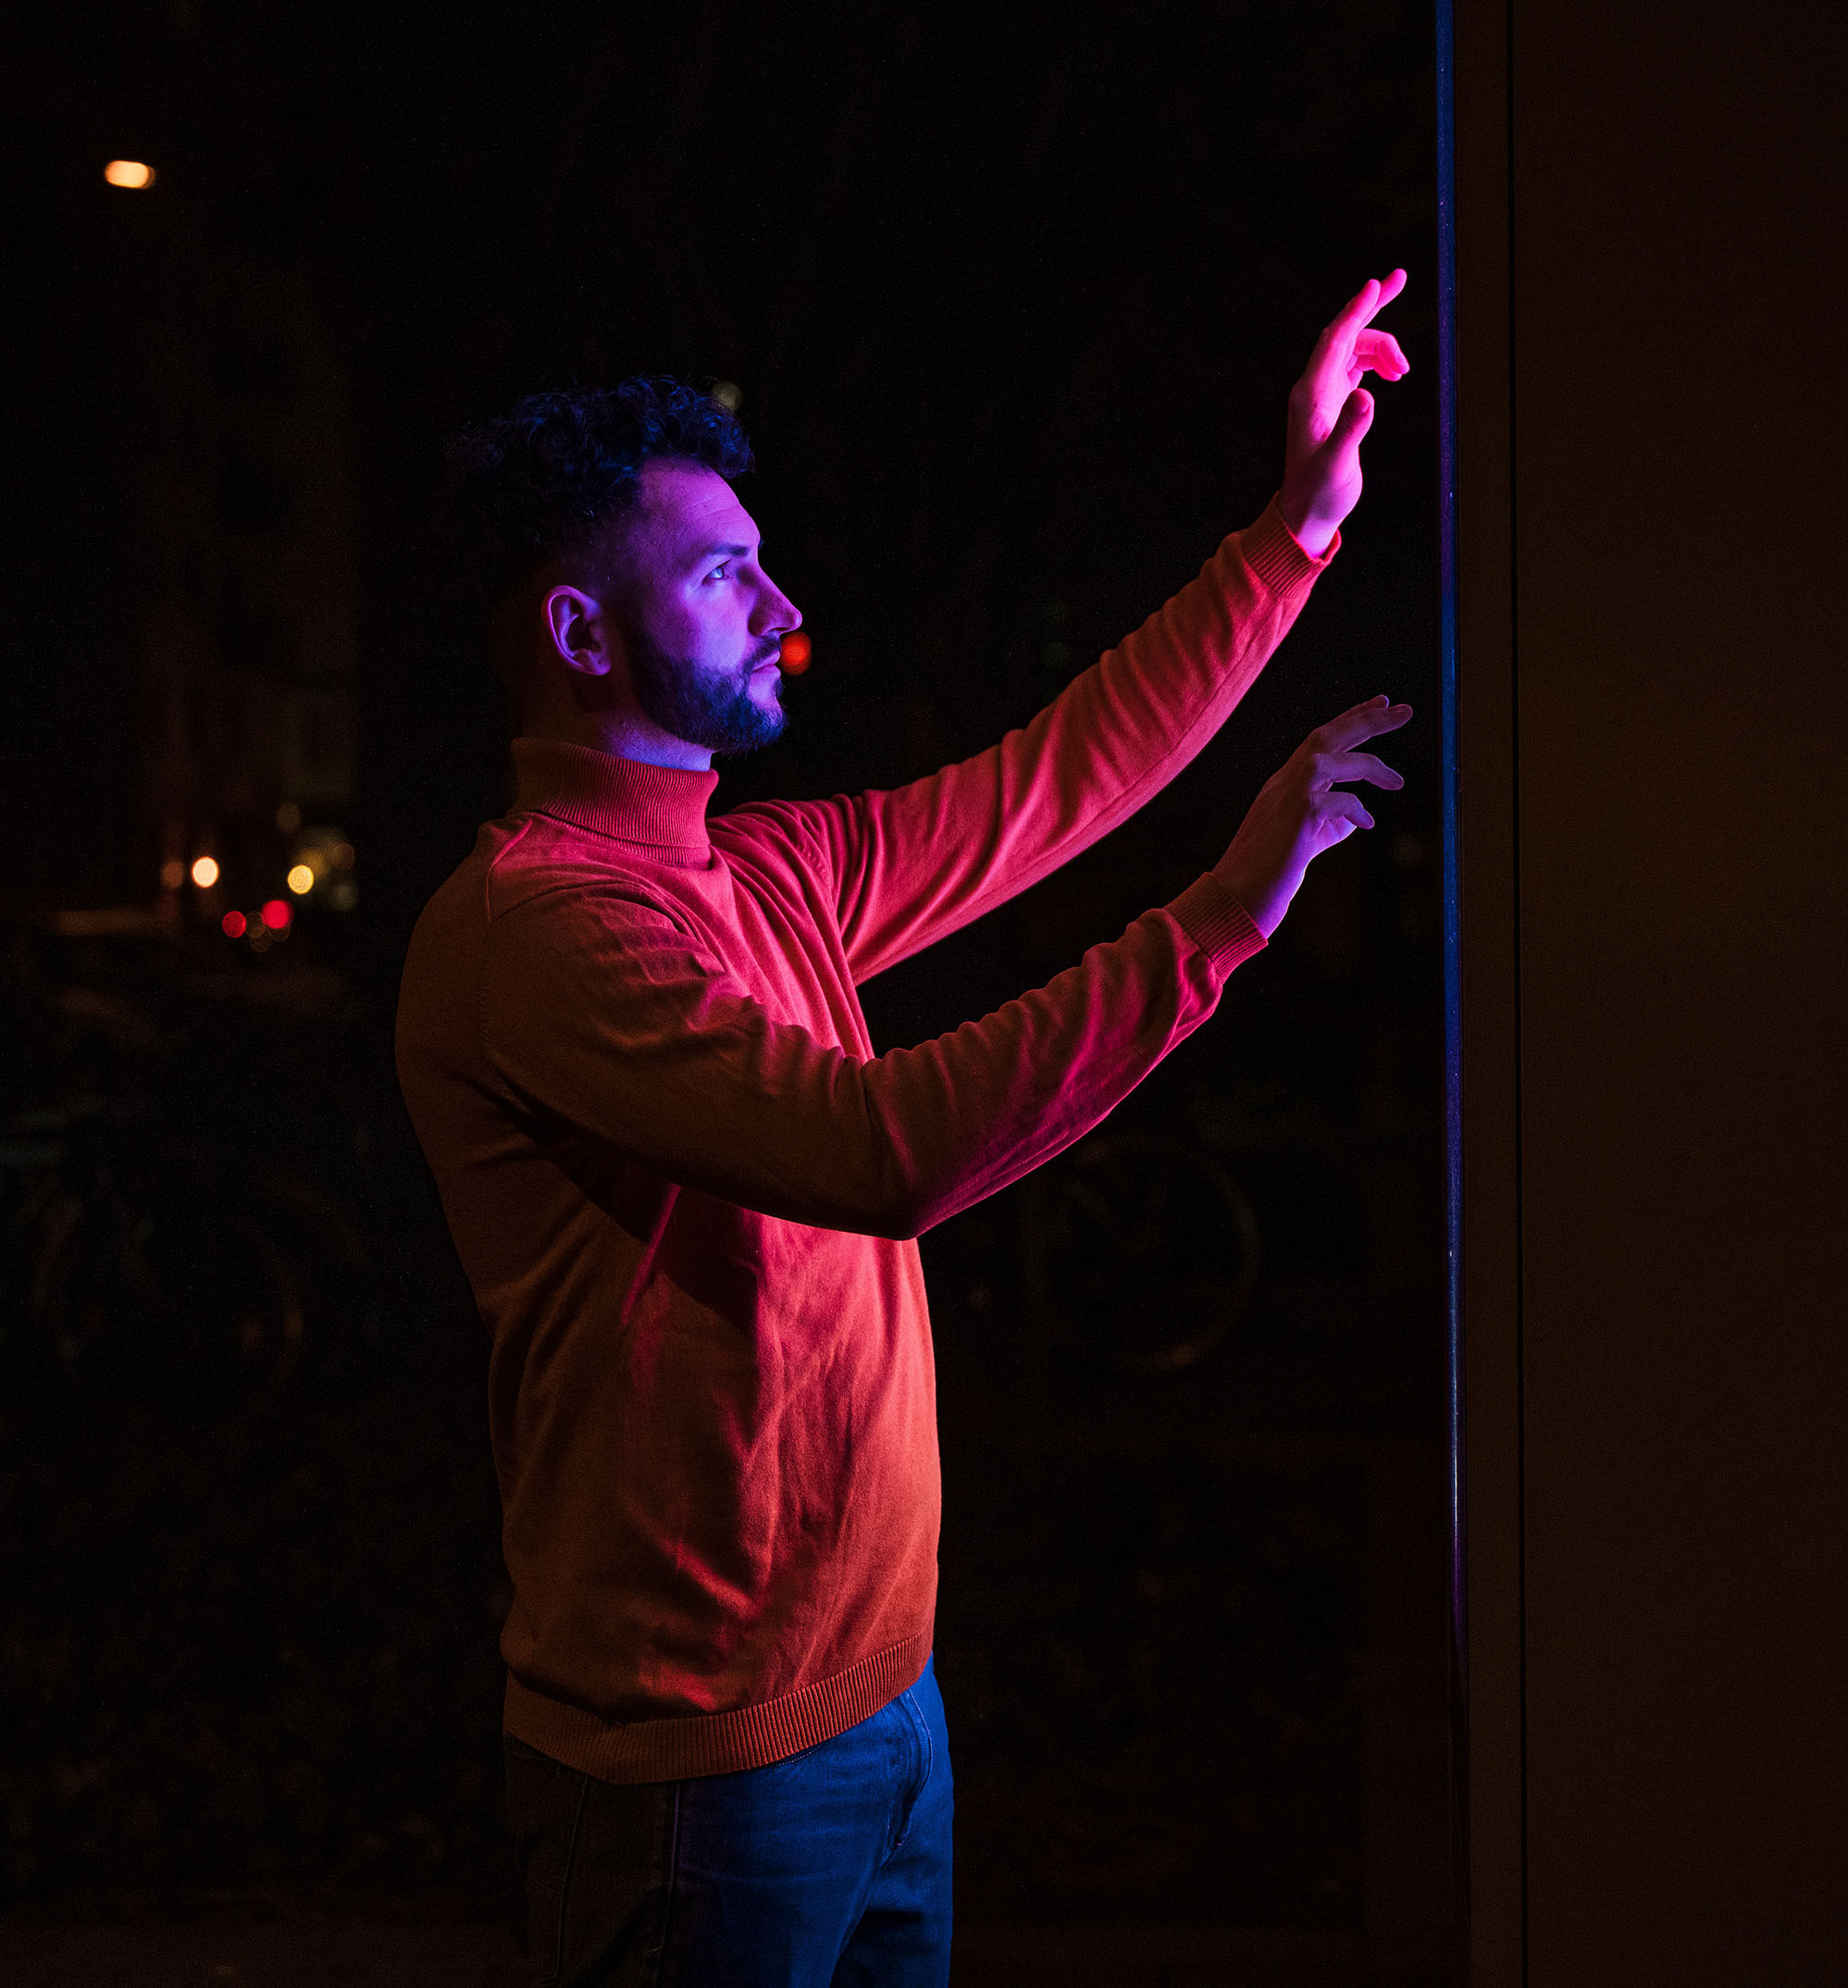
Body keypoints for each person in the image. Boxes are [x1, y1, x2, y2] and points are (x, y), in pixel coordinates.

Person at [396, 273, 1417, 1988]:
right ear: (582, 635)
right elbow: (876, 1153)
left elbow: (1055, 780)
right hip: (695, 1780)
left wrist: (1295, 532)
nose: (783, 607)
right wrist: (1214, 927)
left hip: (883, 1712)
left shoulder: (759, 870)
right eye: (726, 574)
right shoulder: (543, 932)